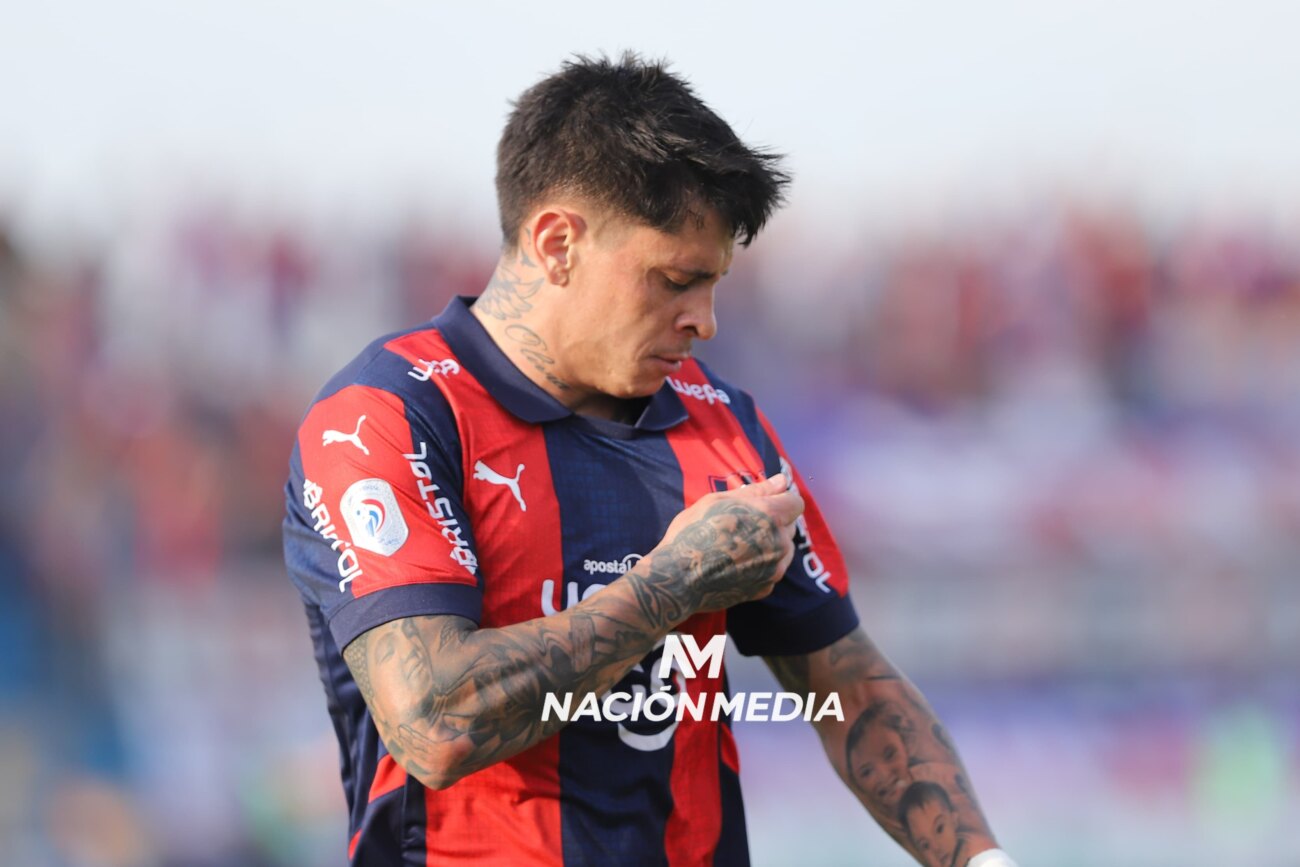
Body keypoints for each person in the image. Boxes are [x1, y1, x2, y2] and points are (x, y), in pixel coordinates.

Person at [283, 52, 1019, 866]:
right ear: (557, 243)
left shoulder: (722, 425)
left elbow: (851, 686)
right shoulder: (389, 416)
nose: (704, 321)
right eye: (674, 280)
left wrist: (983, 861)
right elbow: (435, 719)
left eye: (715, 284)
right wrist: (674, 583)